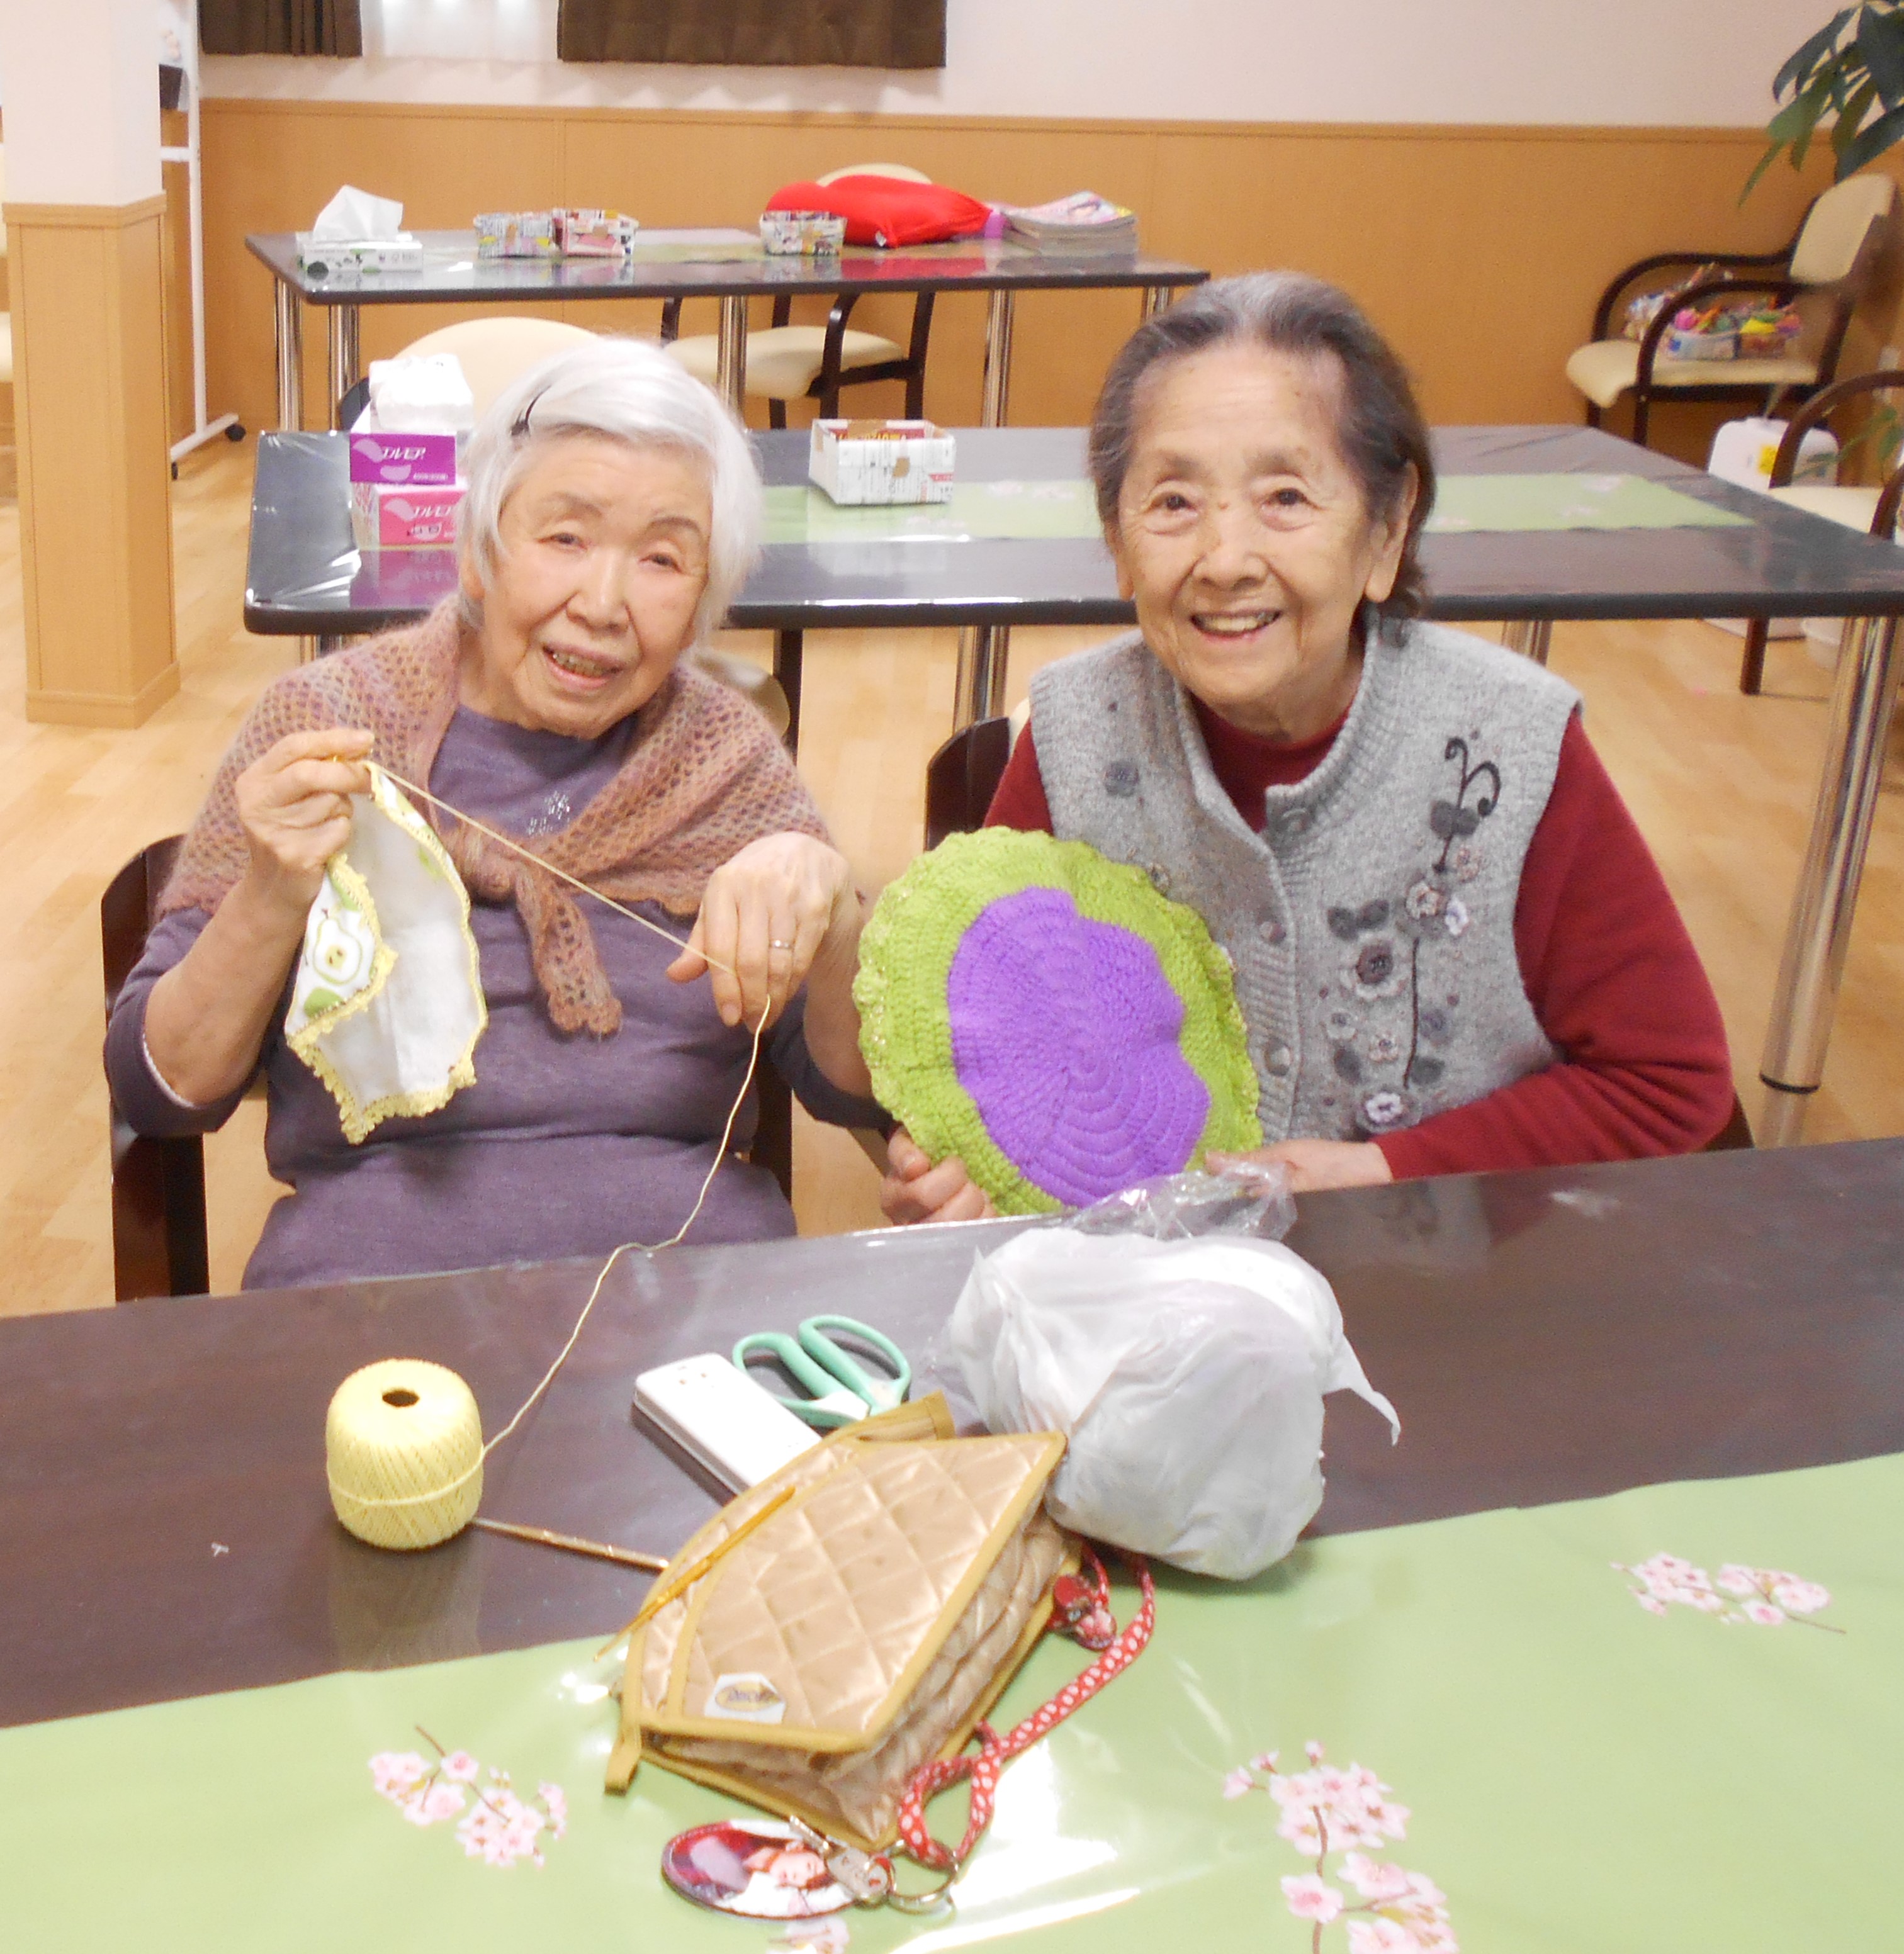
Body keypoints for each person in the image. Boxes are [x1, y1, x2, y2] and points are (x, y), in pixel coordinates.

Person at [882, 271, 1733, 1224]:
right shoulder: (1079, 732)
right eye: (1172, 502)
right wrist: (968, 1172)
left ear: (1386, 529)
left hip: (1438, 1283)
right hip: (1147, 1286)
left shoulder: (1508, 750)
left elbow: (1667, 1083)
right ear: (1117, 540)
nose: (1225, 559)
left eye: (1285, 496)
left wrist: (1392, 1169)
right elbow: (988, 1031)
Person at [108, 337, 881, 1287]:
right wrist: (270, 896)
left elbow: (859, 1089)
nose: (602, 604)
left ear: (700, 604)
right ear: (478, 555)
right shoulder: (332, 728)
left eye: (662, 558)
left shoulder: (726, 765)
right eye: (565, 539)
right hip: (371, 1297)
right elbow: (161, 1088)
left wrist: (833, 913)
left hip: (692, 1296)